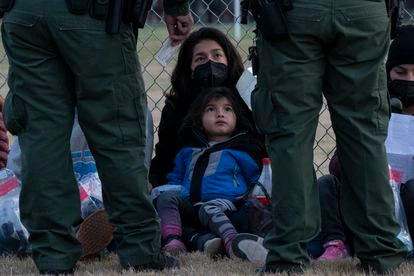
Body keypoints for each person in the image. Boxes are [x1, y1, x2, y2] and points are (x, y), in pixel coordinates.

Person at [1, 1, 193, 274]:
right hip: (93, 17)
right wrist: (176, 5)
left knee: (41, 134)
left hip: (25, 14)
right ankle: (139, 250)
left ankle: (53, 255)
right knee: (118, 133)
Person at [250, 0, 407, 273]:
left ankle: (288, 254)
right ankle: (380, 251)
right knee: (364, 135)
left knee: (290, 136)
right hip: (363, 11)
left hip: (294, 12)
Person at [311, 27, 414, 261]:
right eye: (401, 72)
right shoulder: (375, 110)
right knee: (326, 185)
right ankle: (337, 245)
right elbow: (337, 167)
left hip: (408, 201)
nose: (410, 80)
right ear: (388, 74)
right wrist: (366, 158)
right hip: (372, 197)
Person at [154, 87, 267, 262]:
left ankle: (232, 241)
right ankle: (174, 241)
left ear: (237, 118)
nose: (220, 114)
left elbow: (257, 182)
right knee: (166, 198)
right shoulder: (187, 152)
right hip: (192, 206)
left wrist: (247, 202)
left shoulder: (241, 151)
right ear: (199, 118)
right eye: (211, 109)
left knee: (210, 208)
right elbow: (174, 181)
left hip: (228, 206)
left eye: (227, 109)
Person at [149, 27, 258, 188]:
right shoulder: (176, 108)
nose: (210, 62)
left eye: (217, 55)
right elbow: (165, 160)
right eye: (200, 58)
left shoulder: (247, 100)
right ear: (190, 69)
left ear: (228, 61)